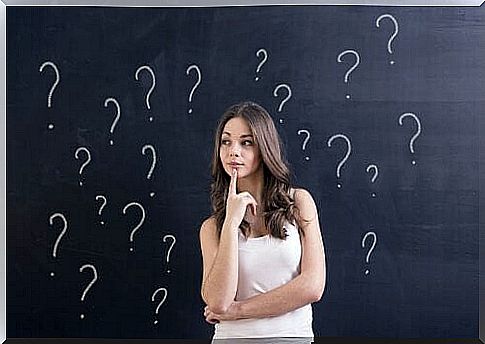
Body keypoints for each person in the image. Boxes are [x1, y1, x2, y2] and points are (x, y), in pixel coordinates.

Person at [199, 101, 326, 344]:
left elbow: (313, 286)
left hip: (291, 338)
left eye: (246, 142)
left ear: (264, 148)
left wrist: (238, 310)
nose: (233, 151)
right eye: (226, 142)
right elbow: (217, 301)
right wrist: (230, 224)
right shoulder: (212, 228)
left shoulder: (299, 202)